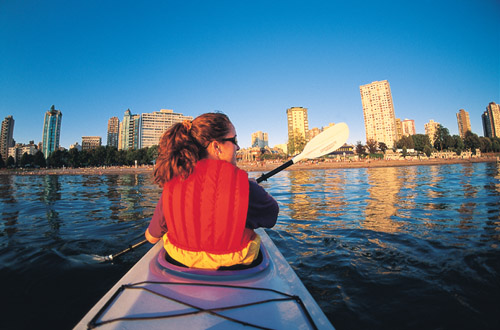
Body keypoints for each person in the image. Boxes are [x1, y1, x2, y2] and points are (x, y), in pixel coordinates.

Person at [145, 112, 279, 270]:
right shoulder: (245, 187)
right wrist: (251, 188)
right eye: (233, 140)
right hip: (237, 271)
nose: (238, 147)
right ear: (216, 147)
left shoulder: (172, 184)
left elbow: (151, 237)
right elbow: (271, 217)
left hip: (179, 268)